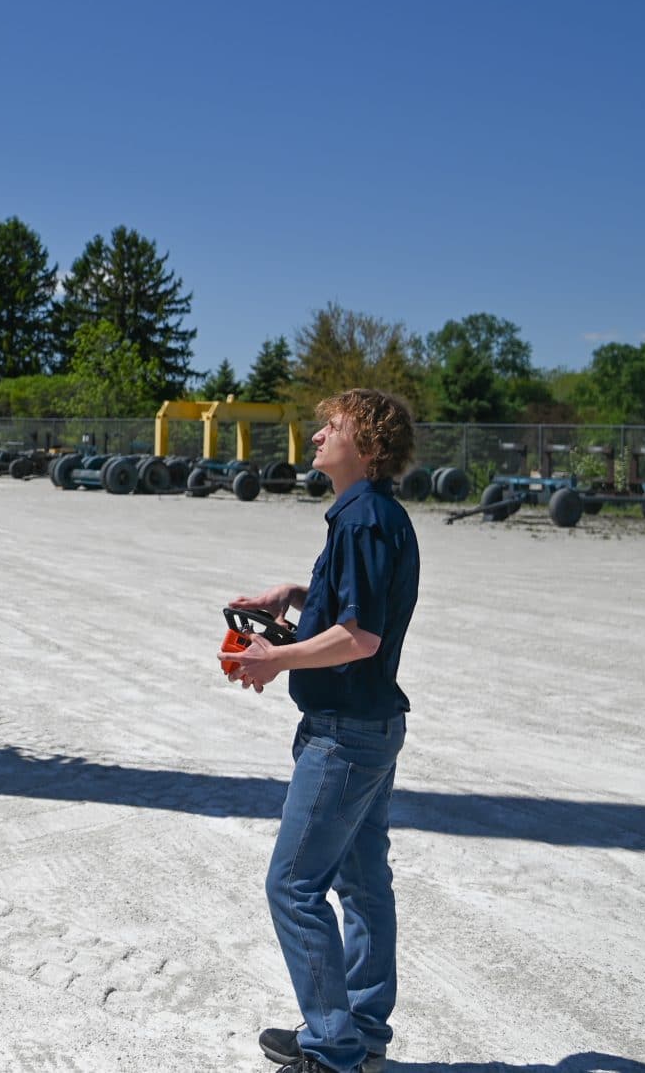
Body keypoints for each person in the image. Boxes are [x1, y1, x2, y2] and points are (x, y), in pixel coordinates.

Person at [226, 388, 421, 1073]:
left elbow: (360, 636)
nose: (316, 438)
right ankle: (359, 1033)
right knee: (364, 884)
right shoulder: (368, 516)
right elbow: (351, 607)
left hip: (345, 734)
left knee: (293, 885)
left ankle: (333, 1049)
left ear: (366, 447)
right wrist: (292, 597)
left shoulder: (364, 519)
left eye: (330, 428)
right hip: (367, 727)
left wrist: (277, 656)